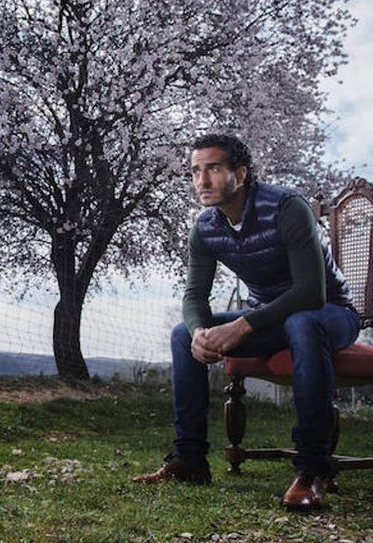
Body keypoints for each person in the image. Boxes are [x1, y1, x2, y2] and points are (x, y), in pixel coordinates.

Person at [135, 133, 360, 510]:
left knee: (302, 323)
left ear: (239, 175)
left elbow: (310, 293)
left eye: (213, 169)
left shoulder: (287, 208)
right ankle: (189, 460)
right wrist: (199, 332)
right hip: (271, 318)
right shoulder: (206, 227)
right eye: (195, 171)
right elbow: (194, 296)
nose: (202, 181)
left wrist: (241, 326)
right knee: (181, 335)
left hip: (331, 313)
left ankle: (313, 470)